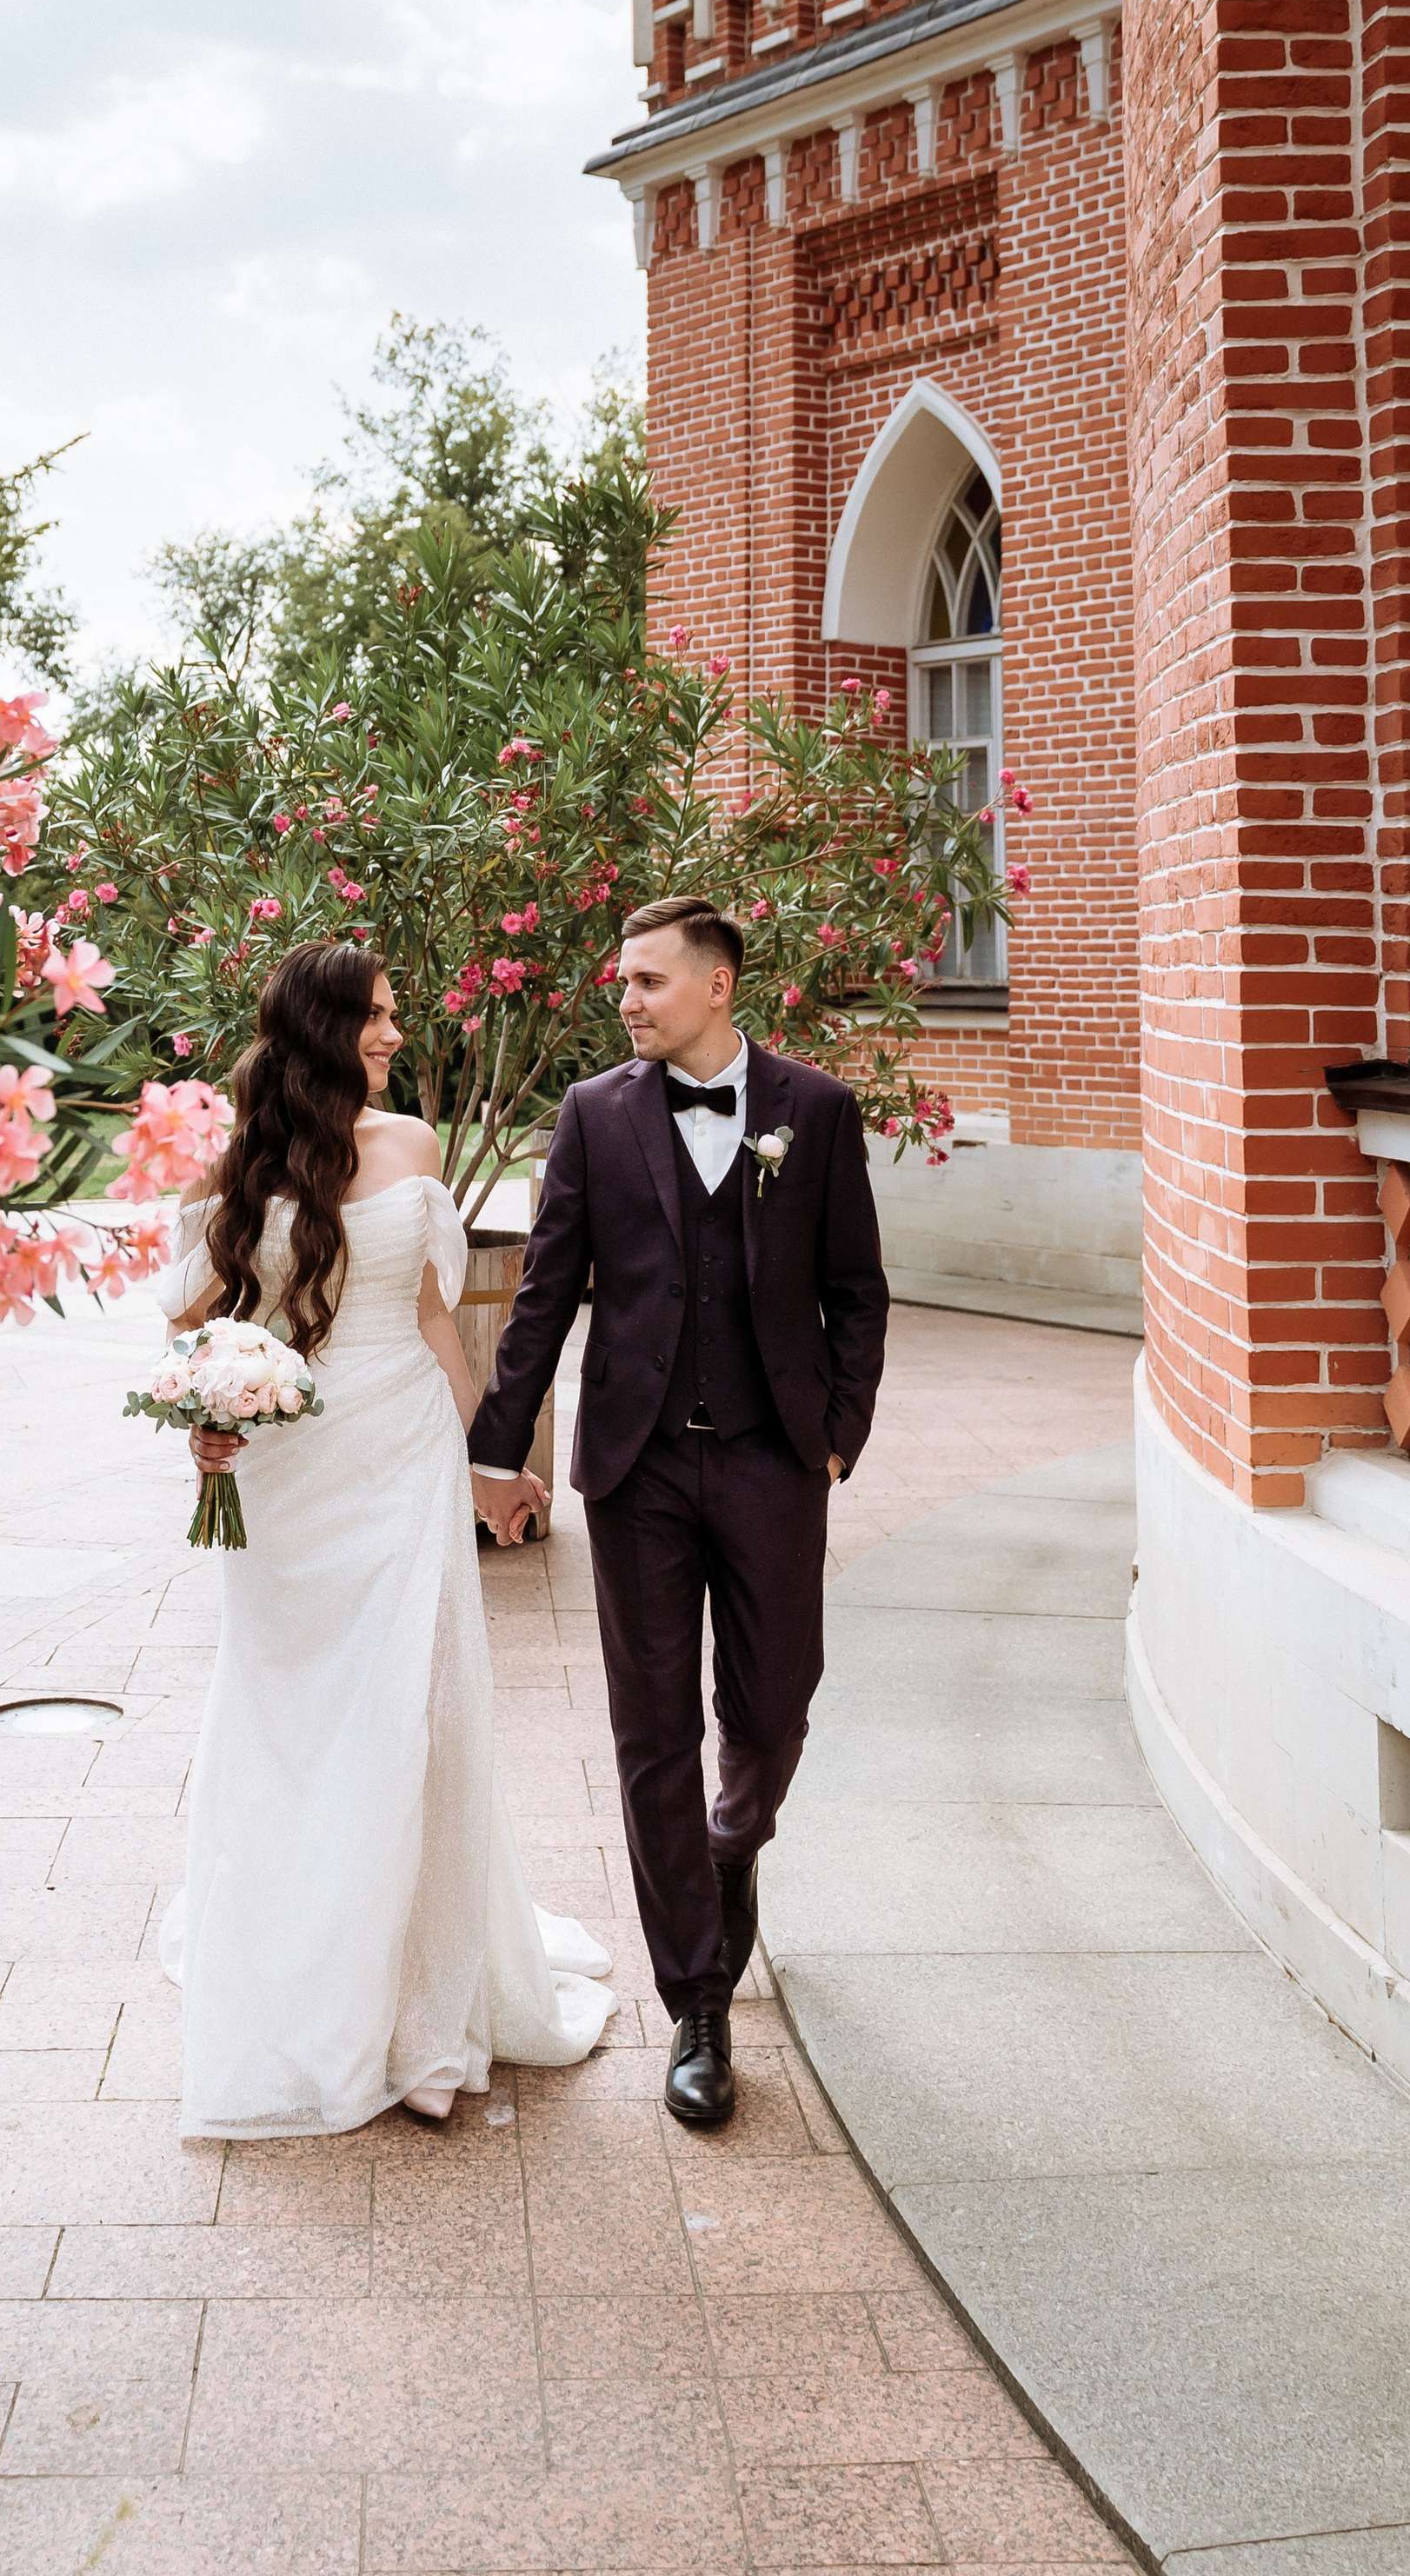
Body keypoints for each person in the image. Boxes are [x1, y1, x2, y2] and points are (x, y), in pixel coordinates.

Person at [154, 937, 615, 2139]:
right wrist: (206, 1427)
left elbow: (432, 1322)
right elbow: (201, 1332)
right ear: (326, 1025)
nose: (398, 1033)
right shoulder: (238, 1170)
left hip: (403, 1457)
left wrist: (489, 1461)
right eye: (380, 1014)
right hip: (293, 1477)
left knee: (412, 1715)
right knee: (295, 1719)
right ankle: (308, 1971)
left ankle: (422, 2015)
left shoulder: (410, 1147)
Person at [468, 897, 888, 2131]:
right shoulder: (595, 1116)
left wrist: (837, 1437)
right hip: (638, 1469)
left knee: (773, 1704)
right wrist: (498, 1452)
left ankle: (732, 1843)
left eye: (649, 981)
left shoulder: (813, 1110)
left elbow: (856, 1290)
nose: (629, 1001)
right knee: (652, 1732)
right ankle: (696, 2002)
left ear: (717, 985)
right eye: (623, 984)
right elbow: (544, 1296)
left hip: (772, 1462)